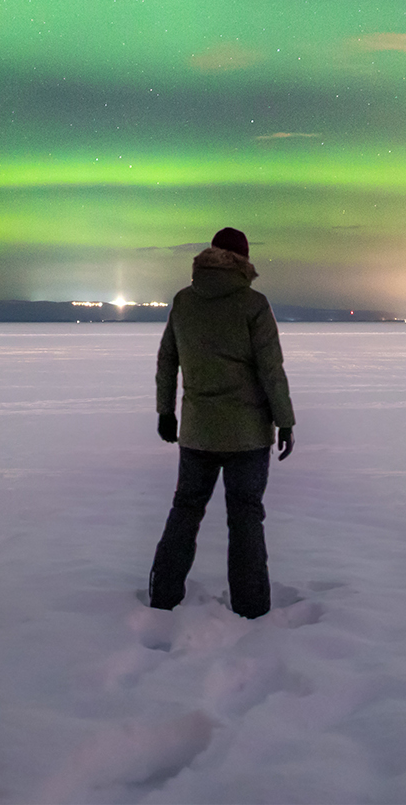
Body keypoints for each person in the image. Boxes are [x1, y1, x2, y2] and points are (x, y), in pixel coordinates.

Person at [148, 226, 296, 619]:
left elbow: (167, 361)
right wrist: (285, 421)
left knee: (186, 509)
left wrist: (166, 412)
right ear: (244, 261)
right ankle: (251, 607)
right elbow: (272, 370)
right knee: (246, 516)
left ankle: (163, 597)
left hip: (197, 432)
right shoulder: (253, 304)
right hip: (247, 436)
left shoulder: (183, 301)